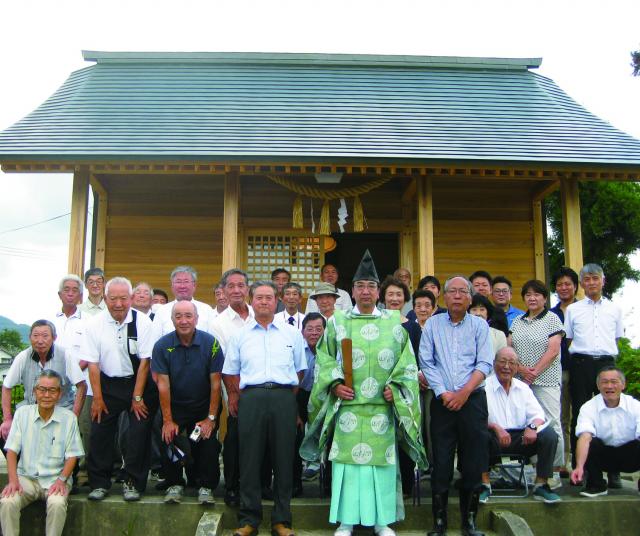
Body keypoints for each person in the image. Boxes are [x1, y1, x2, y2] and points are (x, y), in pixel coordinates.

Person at [302, 250, 425, 536]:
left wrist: (396, 389)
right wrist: (334, 384)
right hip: (348, 408)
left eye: (371, 286)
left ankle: (381, 521)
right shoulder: (337, 322)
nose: (366, 291)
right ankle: (346, 520)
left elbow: (406, 365)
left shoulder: (394, 323)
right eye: (360, 286)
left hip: (381, 409)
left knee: (380, 468)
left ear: (379, 291)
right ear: (352, 292)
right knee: (347, 466)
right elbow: (324, 360)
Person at [223, 281, 306, 536]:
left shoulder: (291, 333)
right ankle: (249, 519)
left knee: (283, 458)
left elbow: (300, 371)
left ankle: (282, 520)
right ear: (251, 298)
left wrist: (286, 398)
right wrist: (237, 396)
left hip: (283, 397)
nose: (264, 302)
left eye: (269, 298)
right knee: (250, 459)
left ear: (277, 300)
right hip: (252, 398)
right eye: (259, 298)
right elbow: (230, 372)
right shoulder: (240, 334)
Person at [419, 275, 493, 536]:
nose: (458, 295)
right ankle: (439, 522)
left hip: (472, 400)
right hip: (442, 402)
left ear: (470, 297)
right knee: (441, 460)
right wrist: (443, 393)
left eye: (463, 291)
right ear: (444, 296)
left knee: (473, 461)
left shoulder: (479, 326)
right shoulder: (432, 325)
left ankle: (469, 521)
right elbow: (427, 363)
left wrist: (463, 393)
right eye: (453, 291)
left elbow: (484, 363)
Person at [81, 276, 158, 502]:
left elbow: (145, 362)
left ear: (131, 298)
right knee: (100, 432)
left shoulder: (143, 322)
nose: (118, 304)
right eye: (113, 298)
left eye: (123, 298)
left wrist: (137, 397)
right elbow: (93, 365)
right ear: (105, 298)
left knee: (138, 432)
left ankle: (133, 482)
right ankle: (99, 482)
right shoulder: (94, 324)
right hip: (106, 383)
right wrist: (97, 397)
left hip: (138, 383)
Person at [152, 300, 224, 505]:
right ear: (172, 319)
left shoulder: (211, 343)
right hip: (175, 407)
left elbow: (216, 384)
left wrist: (210, 418)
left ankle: (205, 486)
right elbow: (163, 386)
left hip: (203, 406)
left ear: (197, 319)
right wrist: (168, 420)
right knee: (169, 438)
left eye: (188, 316)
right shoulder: (162, 345)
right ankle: (174, 483)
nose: (184, 321)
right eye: (178, 316)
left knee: (206, 442)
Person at [0, 370, 84, 536]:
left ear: (59, 394)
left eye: (52, 390)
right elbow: (11, 450)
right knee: (7, 501)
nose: (46, 395)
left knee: (58, 503)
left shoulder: (69, 418)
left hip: (55, 478)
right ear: (34, 392)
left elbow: (73, 455)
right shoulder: (22, 414)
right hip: (26, 478)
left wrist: (62, 480)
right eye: (42, 389)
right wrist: (12, 480)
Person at [564, 263, 624, 487]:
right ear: (582, 284)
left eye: (595, 278)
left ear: (603, 280)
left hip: (606, 364)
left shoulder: (614, 309)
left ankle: (614, 469)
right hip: (581, 363)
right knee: (580, 414)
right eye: (586, 279)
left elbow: (616, 339)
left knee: (611, 413)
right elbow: (569, 339)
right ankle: (583, 468)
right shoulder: (573, 310)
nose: (591, 283)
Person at [480, 348, 561, 504]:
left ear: (517, 367)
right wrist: (496, 428)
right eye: (502, 361)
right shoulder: (484, 386)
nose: (506, 366)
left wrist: (531, 427)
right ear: (494, 363)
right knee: (477, 434)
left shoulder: (523, 388)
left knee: (549, 435)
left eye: (512, 363)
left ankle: (541, 485)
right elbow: (476, 418)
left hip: (521, 439)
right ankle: (483, 485)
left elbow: (538, 416)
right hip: (493, 437)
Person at [510, 279, 565, 488]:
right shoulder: (517, 321)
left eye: (537, 294)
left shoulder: (552, 319)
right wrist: (522, 370)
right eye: (528, 295)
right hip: (521, 380)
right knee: (528, 423)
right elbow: (510, 347)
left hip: (546, 380)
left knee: (551, 423)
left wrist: (535, 372)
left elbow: (553, 350)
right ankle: (534, 469)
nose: (532, 298)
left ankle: (554, 471)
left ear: (544, 298)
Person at [1, 320, 86, 451]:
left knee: (62, 448)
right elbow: (7, 387)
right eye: (35, 336)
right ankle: (20, 469)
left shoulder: (65, 355)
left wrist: (73, 417)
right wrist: (7, 419)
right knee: (5, 433)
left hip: (61, 409)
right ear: (30, 338)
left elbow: (82, 385)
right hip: (32, 409)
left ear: (54, 338)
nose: (40, 341)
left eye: (45, 336)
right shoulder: (23, 357)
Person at [211, 268, 254, 508]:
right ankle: (232, 487)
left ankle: (258, 485)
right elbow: (223, 363)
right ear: (224, 291)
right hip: (235, 389)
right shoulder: (218, 323)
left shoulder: (259, 313)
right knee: (235, 437)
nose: (237, 290)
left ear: (247, 289)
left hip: (262, 389)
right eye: (231, 286)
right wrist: (235, 394)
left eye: (241, 285)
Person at [570, 366, 640, 497]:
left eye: (614, 382)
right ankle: (596, 484)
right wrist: (579, 466)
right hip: (603, 457)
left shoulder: (635, 406)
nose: (609, 386)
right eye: (604, 382)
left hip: (631, 456)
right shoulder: (588, 407)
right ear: (598, 386)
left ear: (623, 385)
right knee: (589, 441)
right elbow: (585, 437)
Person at [549, 266, 579, 477]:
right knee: (562, 417)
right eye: (560, 284)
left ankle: (582, 462)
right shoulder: (552, 314)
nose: (564, 287)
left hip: (582, 368)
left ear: (575, 286)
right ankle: (563, 462)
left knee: (581, 416)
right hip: (559, 370)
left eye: (568, 283)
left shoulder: (583, 309)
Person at [293, 312, 326, 496]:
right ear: (303, 331)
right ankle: (295, 483)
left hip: (323, 396)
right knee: (295, 436)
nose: (314, 333)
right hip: (301, 395)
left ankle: (328, 484)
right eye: (310, 329)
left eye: (318, 329)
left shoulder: (330, 349)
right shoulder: (297, 349)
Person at [150, 266, 216, 341]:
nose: (182, 286)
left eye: (186, 281)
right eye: (178, 282)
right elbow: (155, 342)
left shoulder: (207, 310)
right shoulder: (162, 311)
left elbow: (213, 342)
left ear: (194, 285)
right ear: (172, 286)